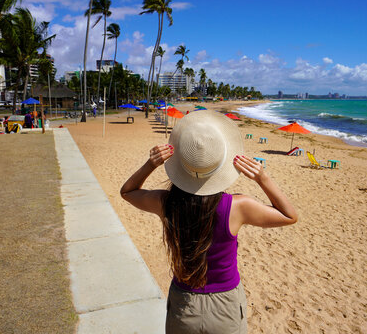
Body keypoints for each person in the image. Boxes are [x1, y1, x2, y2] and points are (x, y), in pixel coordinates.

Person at [120, 110, 297, 333]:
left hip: (185, 304)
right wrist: (262, 177)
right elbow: (290, 216)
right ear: (220, 164)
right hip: (226, 306)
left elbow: (127, 192)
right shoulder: (238, 206)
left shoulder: (166, 203)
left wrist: (150, 164)